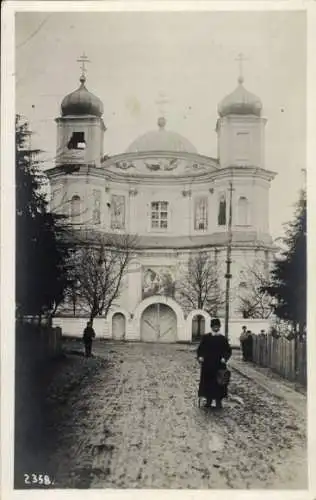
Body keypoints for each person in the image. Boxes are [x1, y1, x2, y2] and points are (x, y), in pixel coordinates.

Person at [197, 318, 232, 409]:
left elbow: (228, 351)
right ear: (211, 327)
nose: (215, 328)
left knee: (219, 383)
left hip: (219, 365)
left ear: (219, 327)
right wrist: (200, 356)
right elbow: (201, 349)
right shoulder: (206, 337)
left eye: (217, 326)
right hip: (207, 365)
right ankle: (208, 401)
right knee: (208, 382)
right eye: (214, 326)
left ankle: (218, 402)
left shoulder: (222, 339)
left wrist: (225, 358)